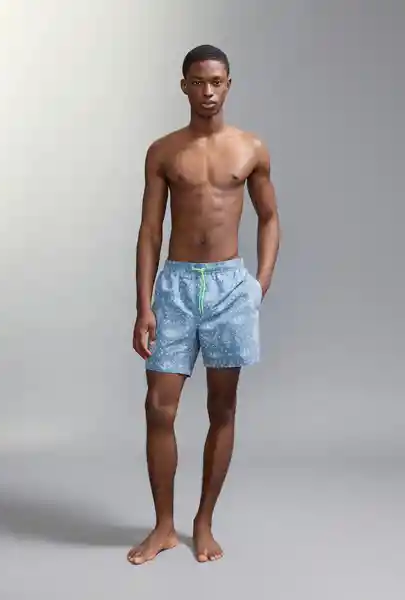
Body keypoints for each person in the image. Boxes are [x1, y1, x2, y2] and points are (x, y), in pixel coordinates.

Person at [128, 44, 280, 565]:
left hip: (229, 287)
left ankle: (203, 522)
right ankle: (163, 526)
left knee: (222, 407)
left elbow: (270, 217)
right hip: (175, 287)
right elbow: (150, 230)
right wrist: (144, 304)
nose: (208, 92)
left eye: (216, 82)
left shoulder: (251, 148)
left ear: (228, 85)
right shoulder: (164, 151)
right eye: (198, 82)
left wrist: (259, 284)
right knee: (158, 407)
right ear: (184, 86)